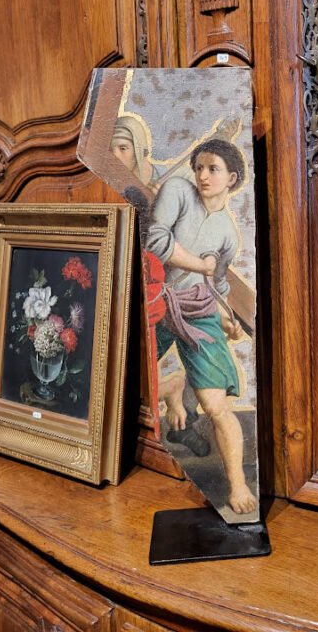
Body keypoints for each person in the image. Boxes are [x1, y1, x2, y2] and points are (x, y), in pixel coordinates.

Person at [145, 138, 257, 515]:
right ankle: (171, 388)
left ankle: (237, 484)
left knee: (215, 405)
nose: (203, 176)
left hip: (196, 310)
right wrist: (202, 265)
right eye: (199, 168)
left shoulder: (228, 233)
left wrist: (226, 319)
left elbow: (217, 285)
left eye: (213, 169)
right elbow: (156, 241)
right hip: (157, 301)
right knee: (126, 383)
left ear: (232, 178)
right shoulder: (178, 191)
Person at [110, 115, 163, 193]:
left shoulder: (168, 177)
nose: (114, 155)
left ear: (138, 151)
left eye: (123, 148)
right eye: (110, 149)